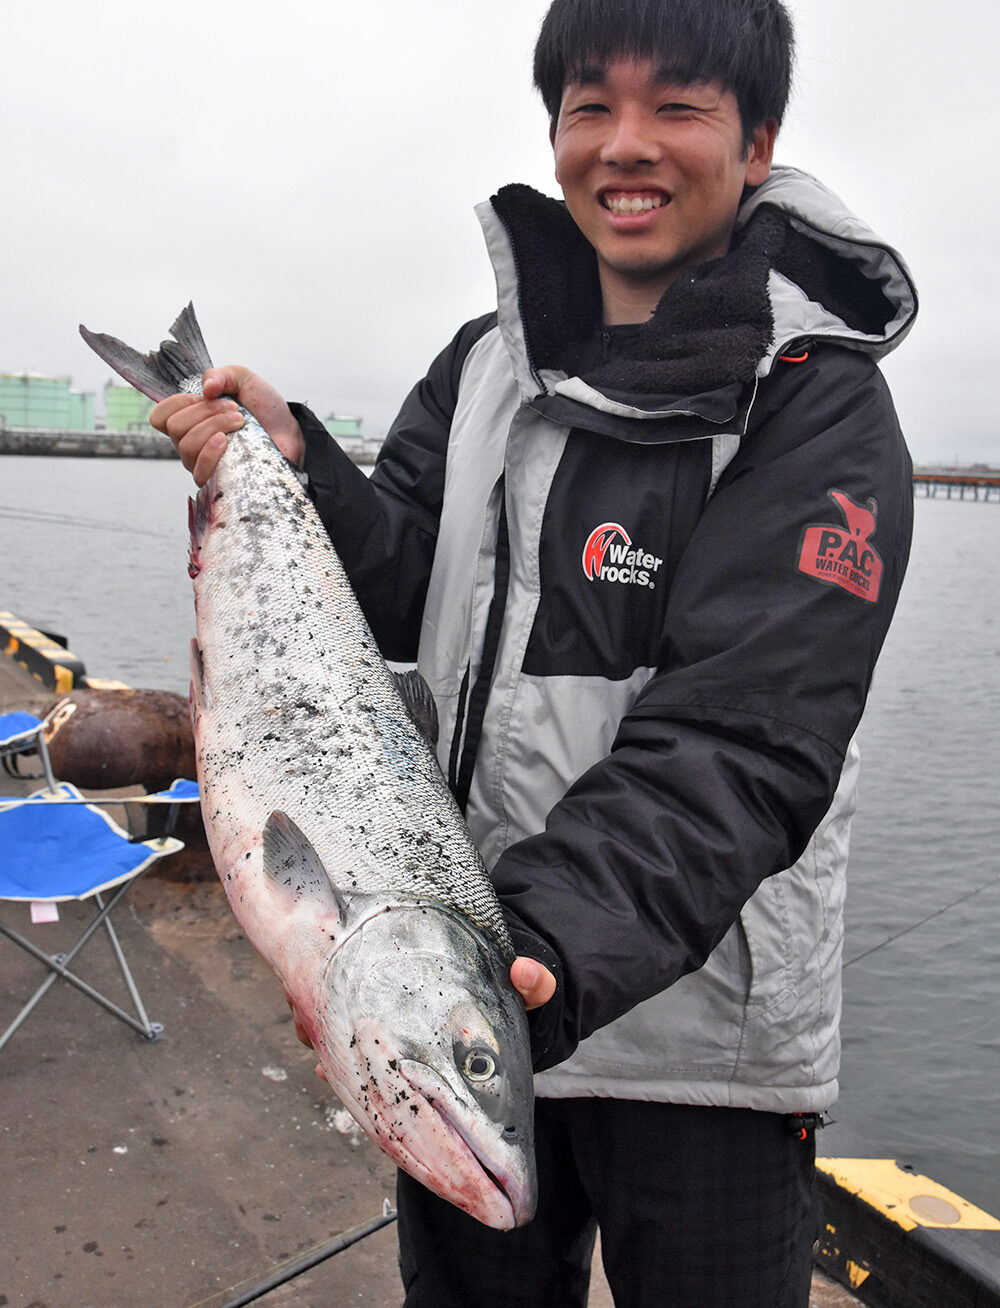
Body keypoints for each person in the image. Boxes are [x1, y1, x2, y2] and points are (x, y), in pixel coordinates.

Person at [152, 1, 917, 1303]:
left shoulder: (817, 404)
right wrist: (301, 472)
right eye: (588, 107)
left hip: (688, 1047)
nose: (626, 145)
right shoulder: (484, 365)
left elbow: (740, 745)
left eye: (677, 107)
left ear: (758, 139)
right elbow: (403, 586)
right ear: (554, 129)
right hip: (461, 991)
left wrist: (498, 976)